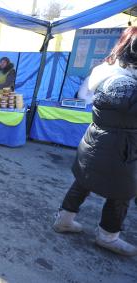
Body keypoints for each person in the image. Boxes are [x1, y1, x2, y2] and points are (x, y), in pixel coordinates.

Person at [53, 27, 137, 256]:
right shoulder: (130, 83)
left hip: (95, 137)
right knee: (122, 192)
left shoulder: (105, 72)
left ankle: (64, 220)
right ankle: (108, 236)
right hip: (124, 147)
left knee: (83, 181)